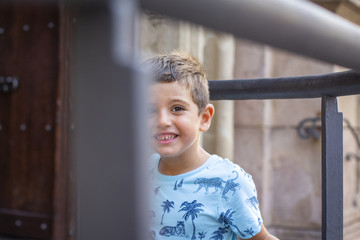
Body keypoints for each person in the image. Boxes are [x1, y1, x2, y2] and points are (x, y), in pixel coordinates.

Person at [146, 51, 278, 240]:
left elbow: (261, 238)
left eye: (177, 108)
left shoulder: (229, 182)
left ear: (204, 118)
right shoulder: (141, 171)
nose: (162, 121)